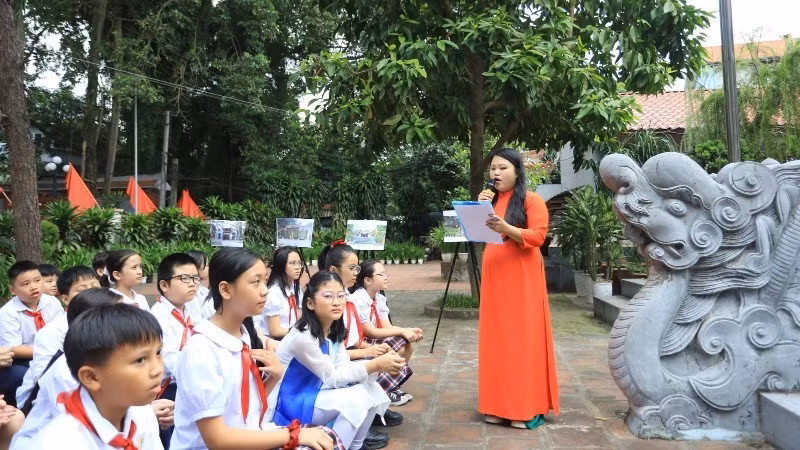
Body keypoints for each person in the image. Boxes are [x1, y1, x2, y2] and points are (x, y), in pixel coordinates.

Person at [170, 248, 339, 450]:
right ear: (225, 290)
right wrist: (293, 435)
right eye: (255, 282)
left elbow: (243, 408)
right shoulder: (201, 350)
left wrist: (273, 378)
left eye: (265, 281)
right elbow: (217, 440)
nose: (265, 290)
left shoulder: (241, 335)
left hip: (246, 435)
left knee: (326, 438)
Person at [268, 271, 400, 450]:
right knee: (355, 400)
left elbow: (341, 365)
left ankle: (355, 446)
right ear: (310, 303)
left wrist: (375, 366)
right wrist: (374, 364)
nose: (337, 302)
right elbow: (333, 377)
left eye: (341, 296)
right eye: (328, 296)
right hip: (291, 401)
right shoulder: (303, 337)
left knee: (371, 392)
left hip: (315, 392)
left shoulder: (332, 328)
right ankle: (337, 446)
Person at [476, 147, 559, 429]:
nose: (495, 173)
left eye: (502, 168)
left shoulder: (531, 200)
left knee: (521, 341)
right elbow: (480, 234)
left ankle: (525, 407)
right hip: (495, 277)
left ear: (517, 171)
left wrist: (507, 228)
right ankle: (497, 405)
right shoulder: (489, 201)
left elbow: (538, 237)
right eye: (493, 169)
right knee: (496, 340)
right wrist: (478, 211)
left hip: (522, 279)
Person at [24, 303, 165, 449]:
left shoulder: (141, 412)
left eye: (158, 353)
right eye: (140, 360)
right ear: (91, 377)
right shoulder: (62, 442)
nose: (158, 370)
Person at [319, 241, 401, 440]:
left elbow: (345, 344)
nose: (356, 271)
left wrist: (371, 351)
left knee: (383, 359)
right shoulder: (330, 303)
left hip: (343, 355)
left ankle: (372, 414)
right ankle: (363, 420)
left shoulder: (347, 298)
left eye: (357, 267)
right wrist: (368, 354)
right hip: (325, 374)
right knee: (367, 375)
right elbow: (332, 356)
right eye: (352, 267)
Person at [16, 265, 100, 409]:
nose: (91, 293)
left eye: (95, 287)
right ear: (66, 299)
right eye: (82, 289)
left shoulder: (105, 322)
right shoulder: (51, 333)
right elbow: (45, 380)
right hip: (44, 402)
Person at [349, 260, 421, 406]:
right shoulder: (358, 299)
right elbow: (371, 331)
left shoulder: (379, 298)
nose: (386, 277)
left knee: (407, 342)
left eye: (385, 273)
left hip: (371, 338)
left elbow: (386, 327)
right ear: (368, 280)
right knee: (397, 345)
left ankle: (393, 385)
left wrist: (407, 331)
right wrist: (403, 331)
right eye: (381, 274)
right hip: (361, 342)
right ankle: (386, 389)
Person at [151, 253, 200, 448]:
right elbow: (169, 361)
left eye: (196, 278)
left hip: (190, 381)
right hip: (168, 390)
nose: (193, 284)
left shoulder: (191, 310)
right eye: (184, 278)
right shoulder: (157, 317)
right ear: (164, 285)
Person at [0, 261, 64, 407]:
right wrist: (46, 351)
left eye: (37, 280)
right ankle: (27, 409)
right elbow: (13, 349)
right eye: (25, 284)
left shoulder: (51, 302)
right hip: (24, 359)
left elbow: (61, 329)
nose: (34, 286)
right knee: (23, 376)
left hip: (54, 352)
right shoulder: (7, 313)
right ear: (13, 290)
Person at [262, 247, 304, 339]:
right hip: (274, 342)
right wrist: (300, 332)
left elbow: (299, 316)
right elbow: (275, 331)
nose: (297, 267)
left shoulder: (296, 289)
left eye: (299, 263)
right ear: (281, 265)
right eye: (292, 263)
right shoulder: (273, 293)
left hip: (291, 338)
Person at [184, 250, 211, 319]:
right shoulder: (190, 294)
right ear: (196, 267)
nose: (209, 267)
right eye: (207, 265)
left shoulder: (203, 289)